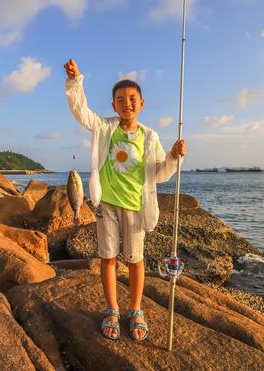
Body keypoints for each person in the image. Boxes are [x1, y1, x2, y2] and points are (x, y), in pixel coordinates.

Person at [63, 58, 186, 342]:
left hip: (136, 206)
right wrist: (75, 81)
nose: (126, 103)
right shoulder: (104, 128)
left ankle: (135, 309)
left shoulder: (149, 136)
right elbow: (81, 111)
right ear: (113, 105)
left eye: (132, 99)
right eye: (120, 99)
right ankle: (111, 310)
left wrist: (172, 157)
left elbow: (160, 174)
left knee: (134, 260)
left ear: (142, 103)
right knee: (108, 258)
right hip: (105, 204)